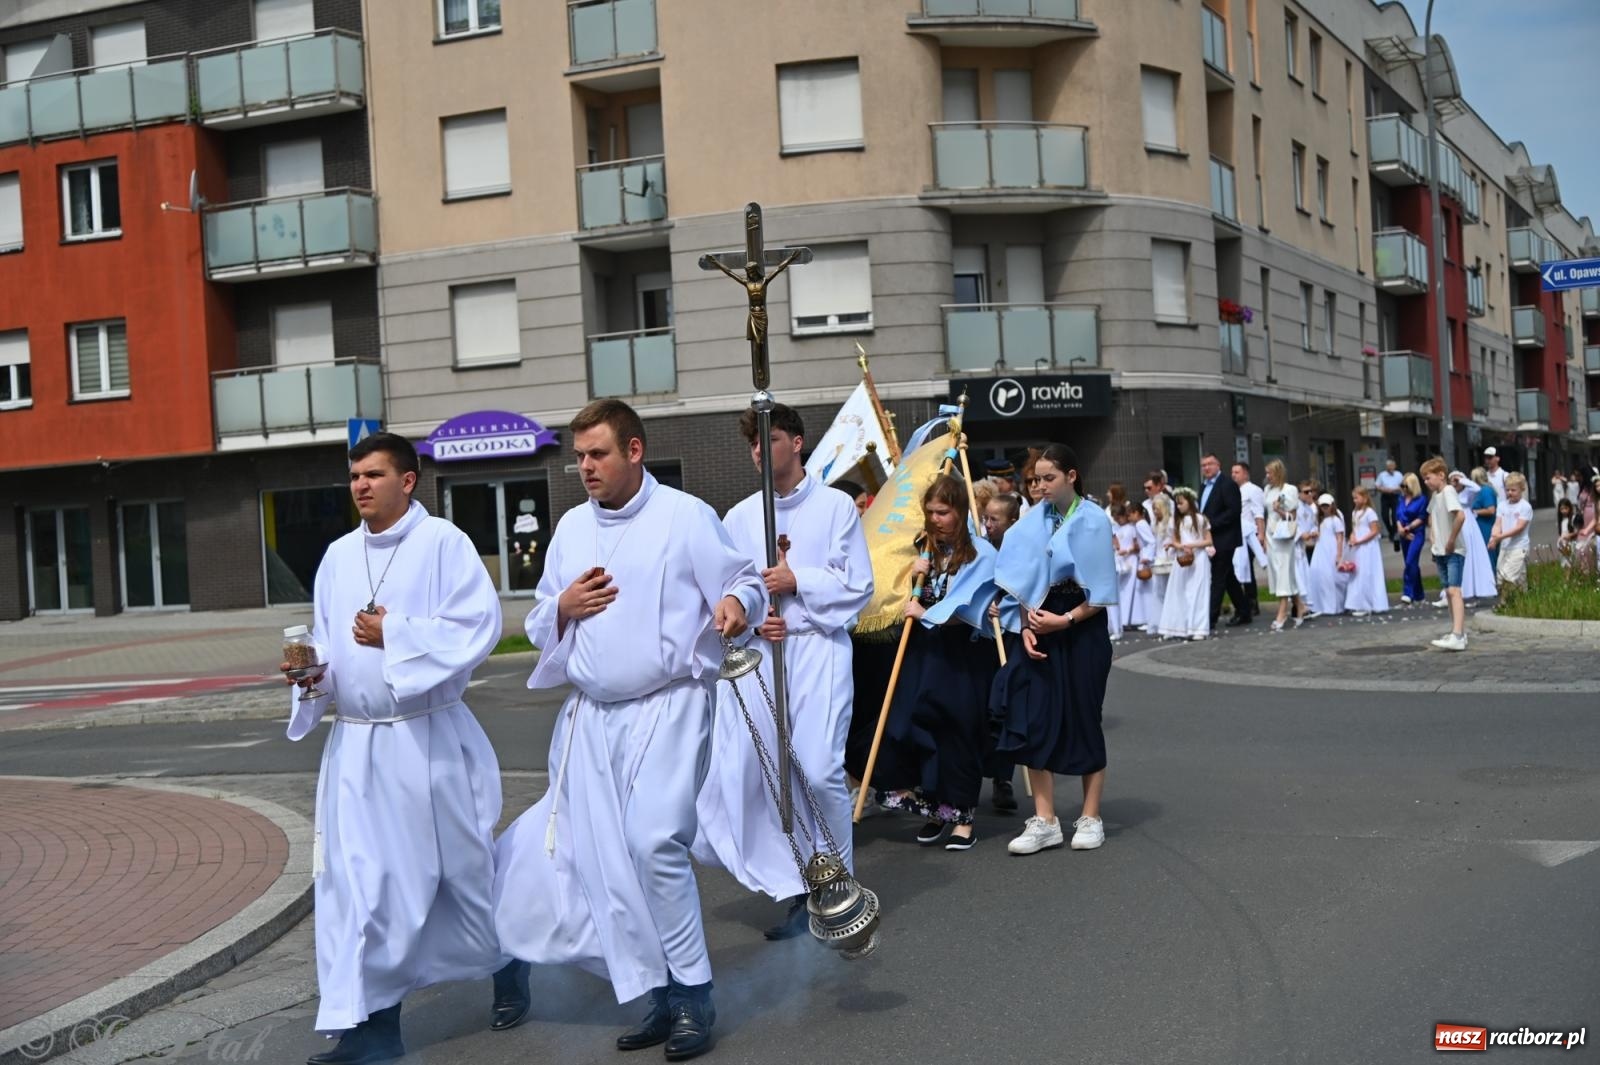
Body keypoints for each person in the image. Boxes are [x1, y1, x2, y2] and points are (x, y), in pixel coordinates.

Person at [493, 400, 763, 1062]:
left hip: (668, 706)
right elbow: (534, 622)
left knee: (653, 842)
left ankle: (696, 996)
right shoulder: (571, 530)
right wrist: (562, 605)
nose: (584, 466)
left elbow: (744, 581)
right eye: (579, 456)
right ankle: (660, 995)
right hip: (591, 718)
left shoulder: (683, 516)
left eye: (597, 454)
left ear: (634, 451)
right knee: (610, 863)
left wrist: (734, 604)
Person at [281, 432, 522, 1065]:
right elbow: (331, 648)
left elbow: (480, 628)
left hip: (428, 739)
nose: (359, 485)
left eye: (373, 474)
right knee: (360, 887)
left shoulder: (444, 544)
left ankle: (508, 960)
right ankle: (372, 1029)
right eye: (354, 475)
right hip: (357, 749)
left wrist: (397, 633)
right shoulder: (336, 556)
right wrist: (314, 678)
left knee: (461, 876)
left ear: (407, 481)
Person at [694, 405, 873, 941]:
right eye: (752, 443)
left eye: (769, 439)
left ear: (797, 443)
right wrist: (748, 622)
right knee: (777, 777)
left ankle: (839, 881)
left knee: (818, 770)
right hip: (764, 658)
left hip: (817, 649)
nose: (758, 451)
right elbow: (731, 586)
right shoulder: (741, 516)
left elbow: (858, 585)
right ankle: (802, 885)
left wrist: (799, 582)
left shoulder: (836, 506)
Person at [990, 444, 1119, 855]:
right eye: (1036, 479)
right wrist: (1026, 623)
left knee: (1084, 714)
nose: (1041, 486)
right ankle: (1045, 819)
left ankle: (1091, 815)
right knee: (1032, 714)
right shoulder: (1031, 522)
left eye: (1049, 478)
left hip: (1081, 624)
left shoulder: (1094, 520)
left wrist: (1063, 621)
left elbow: (1100, 591)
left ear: (1071, 476)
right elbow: (1023, 579)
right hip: (1040, 621)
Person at [877, 475, 998, 851]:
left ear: (961, 511)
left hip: (962, 653)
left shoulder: (981, 553)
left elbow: (971, 606)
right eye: (930, 511)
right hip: (925, 650)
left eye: (943, 511)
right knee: (917, 724)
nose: (935, 518)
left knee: (957, 729)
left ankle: (963, 816)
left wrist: (926, 609)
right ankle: (935, 809)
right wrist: (912, 577)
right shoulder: (927, 549)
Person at [981, 490, 1023, 813]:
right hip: (978, 635)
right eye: (986, 518)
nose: (988, 524)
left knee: (1003, 706)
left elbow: (1024, 588)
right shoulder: (979, 547)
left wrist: (1004, 607)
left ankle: (1003, 779)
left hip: (1006, 634)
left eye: (995, 519)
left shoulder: (1021, 548)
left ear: (1012, 521)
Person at [1422, 457, 1468, 651]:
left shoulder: (1448, 491)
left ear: (1441, 475)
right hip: (1440, 550)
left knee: (1453, 590)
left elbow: (1460, 516)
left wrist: (1450, 540)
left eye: (1428, 477)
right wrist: (1434, 538)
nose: (1426, 482)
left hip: (1453, 550)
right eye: (1423, 478)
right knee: (1448, 593)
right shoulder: (1436, 496)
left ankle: (1457, 635)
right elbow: (1431, 517)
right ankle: (1458, 631)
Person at [1155, 487, 1213, 641]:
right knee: (1180, 592)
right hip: (1182, 560)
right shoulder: (1175, 521)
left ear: (1190, 502)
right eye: (1177, 504)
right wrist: (1180, 547)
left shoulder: (1200, 519)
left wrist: (1192, 545)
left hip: (1199, 559)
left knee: (1198, 593)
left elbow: (1208, 540)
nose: (1179, 506)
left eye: (1181, 503)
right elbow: (1174, 540)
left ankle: (1199, 628)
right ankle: (1179, 626)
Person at [1199, 454, 1251, 627]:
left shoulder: (1227, 484)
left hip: (1225, 538)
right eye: (1203, 465)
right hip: (1210, 538)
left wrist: (1209, 524)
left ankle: (1210, 619)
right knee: (1228, 577)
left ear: (1218, 465)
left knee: (1218, 577)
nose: (1206, 468)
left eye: (1209, 464)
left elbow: (1233, 511)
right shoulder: (1203, 486)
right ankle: (1244, 611)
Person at [1262, 460, 1305, 631]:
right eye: (1266, 473)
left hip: (1284, 536)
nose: (1267, 476)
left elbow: (1293, 516)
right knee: (1279, 571)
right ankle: (1300, 606)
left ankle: (1282, 611)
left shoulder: (1289, 490)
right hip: (1271, 534)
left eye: (1270, 473)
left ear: (1278, 473)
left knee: (1283, 572)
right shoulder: (1267, 490)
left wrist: (1279, 510)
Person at [1448, 471, 1498, 602]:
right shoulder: (1450, 493)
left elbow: (1476, 488)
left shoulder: (1467, 493)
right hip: (1454, 522)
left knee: (1470, 554)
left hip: (1467, 523)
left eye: (1456, 480)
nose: (1455, 483)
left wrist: (1461, 480)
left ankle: (1473, 590)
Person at [1342, 486, 1389, 616]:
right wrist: (1352, 538)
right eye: (1353, 498)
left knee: (1366, 572)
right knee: (1358, 573)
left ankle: (1367, 604)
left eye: (1357, 498)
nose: (1355, 501)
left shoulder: (1370, 513)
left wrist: (1360, 540)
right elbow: (1355, 528)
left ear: (1364, 497)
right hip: (1358, 546)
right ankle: (1358, 603)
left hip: (1368, 547)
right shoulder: (1355, 512)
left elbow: (1374, 530)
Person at [1232, 462, 1269, 620]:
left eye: (1237, 472)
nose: (1234, 475)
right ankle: (1243, 602)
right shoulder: (1234, 490)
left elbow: (1258, 512)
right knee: (1237, 568)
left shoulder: (1253, 490)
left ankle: (1252, 601)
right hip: (1236, 534)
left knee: (1247, 568)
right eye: (1232, 472)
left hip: (1249, 534)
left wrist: (1261, 533)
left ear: (1245, 474)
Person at [1487, 472, 1533, 589]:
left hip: (1519, 547)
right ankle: (1524, 600)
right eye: (1507, 490)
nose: (1509, 493)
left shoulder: (1525, 507)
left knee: (1507, 576)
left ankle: (1504, 604)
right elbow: (1498, 524)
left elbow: (1519, 528)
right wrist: (1493, 537)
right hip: (1505, 547)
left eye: (1513, 490)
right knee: (1506, 577)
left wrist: (1500, 537)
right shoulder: (1502, 505)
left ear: (1522, 489)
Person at [1305, 493, 1347, 619]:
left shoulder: (1336, 520)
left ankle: (1334, 605)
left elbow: (1340, 538)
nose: (1324, 508)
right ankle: (1320, 604)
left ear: (1331, 506)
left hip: (1331, 549)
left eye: (1326, 506)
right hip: (1320, 550)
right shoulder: (1320, 520)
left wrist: (1339, 555)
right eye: (1322, 506)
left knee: (1331, 577)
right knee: (1319, 575)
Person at [1395, 474, 1428, 605]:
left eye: (1405, 485)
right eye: (1402, 485)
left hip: (1416, 534)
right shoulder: (1401, 498)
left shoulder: (1421, 499)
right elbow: (1398, 515)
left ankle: (1408, 592)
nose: (1403, 488)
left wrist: (1408, 528)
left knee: (1410, 561)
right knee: (1412, 564)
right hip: (1404, 534)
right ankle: (1419, 595)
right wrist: (1400, 530)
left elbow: (1421, 517)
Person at [1294, 481, 1320, 614]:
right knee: (1297, 575)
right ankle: (1299, 605)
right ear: (1299, 494)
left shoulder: (1310, 508)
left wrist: (1314, 531)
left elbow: (1313, 523)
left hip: (1303, 546)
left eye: (1311, 491)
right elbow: (1290, 522)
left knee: (1304, 574)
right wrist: (1299, 533)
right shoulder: (1294, 506)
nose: (1309, 494)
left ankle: (1305, 605)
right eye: (1306, 492)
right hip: (1294, 545)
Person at [1471, 467, 1501, 573]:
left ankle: (1492, 579)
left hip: (1486, 527)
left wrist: (1475, 512)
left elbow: (1491, 510)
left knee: (1489, 555)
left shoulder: (1485, 491)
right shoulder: (1479, 491)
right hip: (1480, 527)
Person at [1376, 458, 1404, 551]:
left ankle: (1395, 534)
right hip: (1385, 496)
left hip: (1395, 496)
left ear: (1394, 466)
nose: (1390, 468)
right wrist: (1384, 489)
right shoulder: (1382, 475)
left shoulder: (1399, 475)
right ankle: (1391, 531)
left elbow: (1403, 486)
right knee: (1385, 516)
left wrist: (1395, 489)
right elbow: (1377, 486)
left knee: (1395, 516)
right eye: (1389, 467)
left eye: (1392, 467)